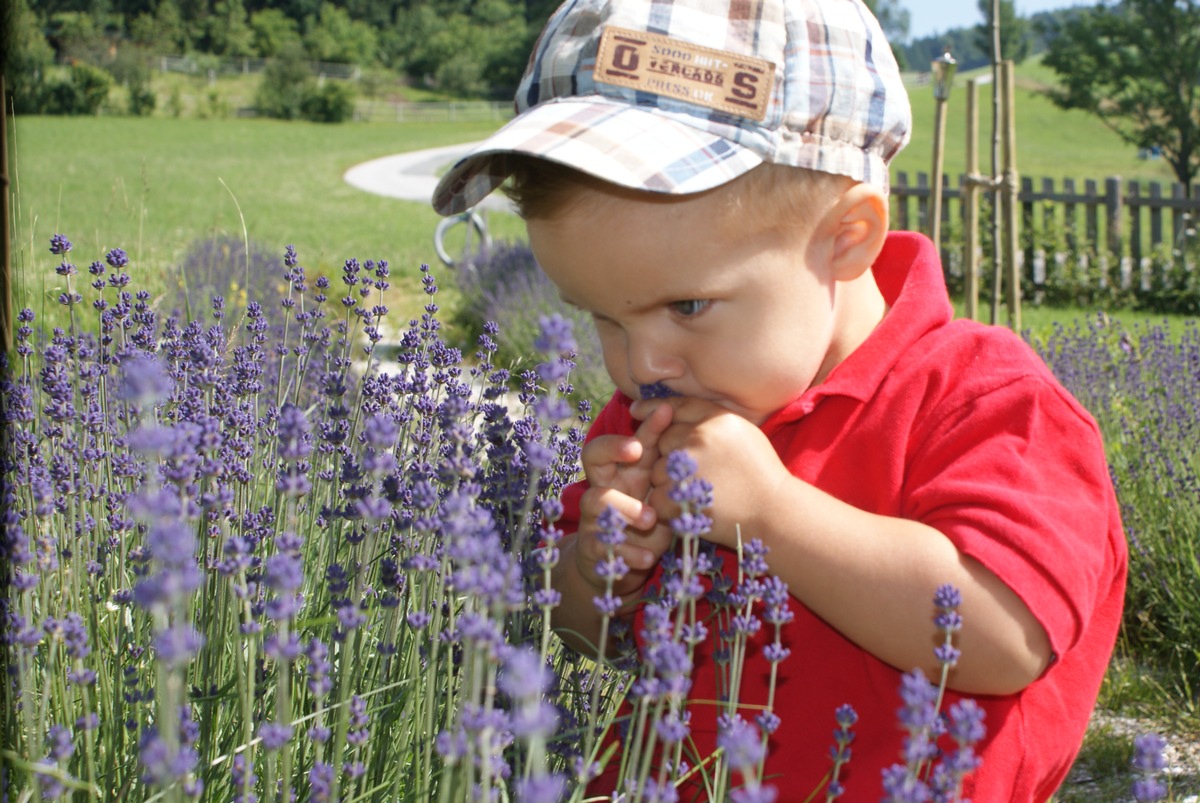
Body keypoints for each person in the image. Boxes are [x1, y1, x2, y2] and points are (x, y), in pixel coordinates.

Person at [431, 0, 1128, 799]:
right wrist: (601, 565)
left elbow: (1003, 639)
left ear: (847, 237)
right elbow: (585, 632)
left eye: (686, 306)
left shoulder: (986, 402)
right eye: (602, 316)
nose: (642, 362)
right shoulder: (661, 408)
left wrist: (770, 513)